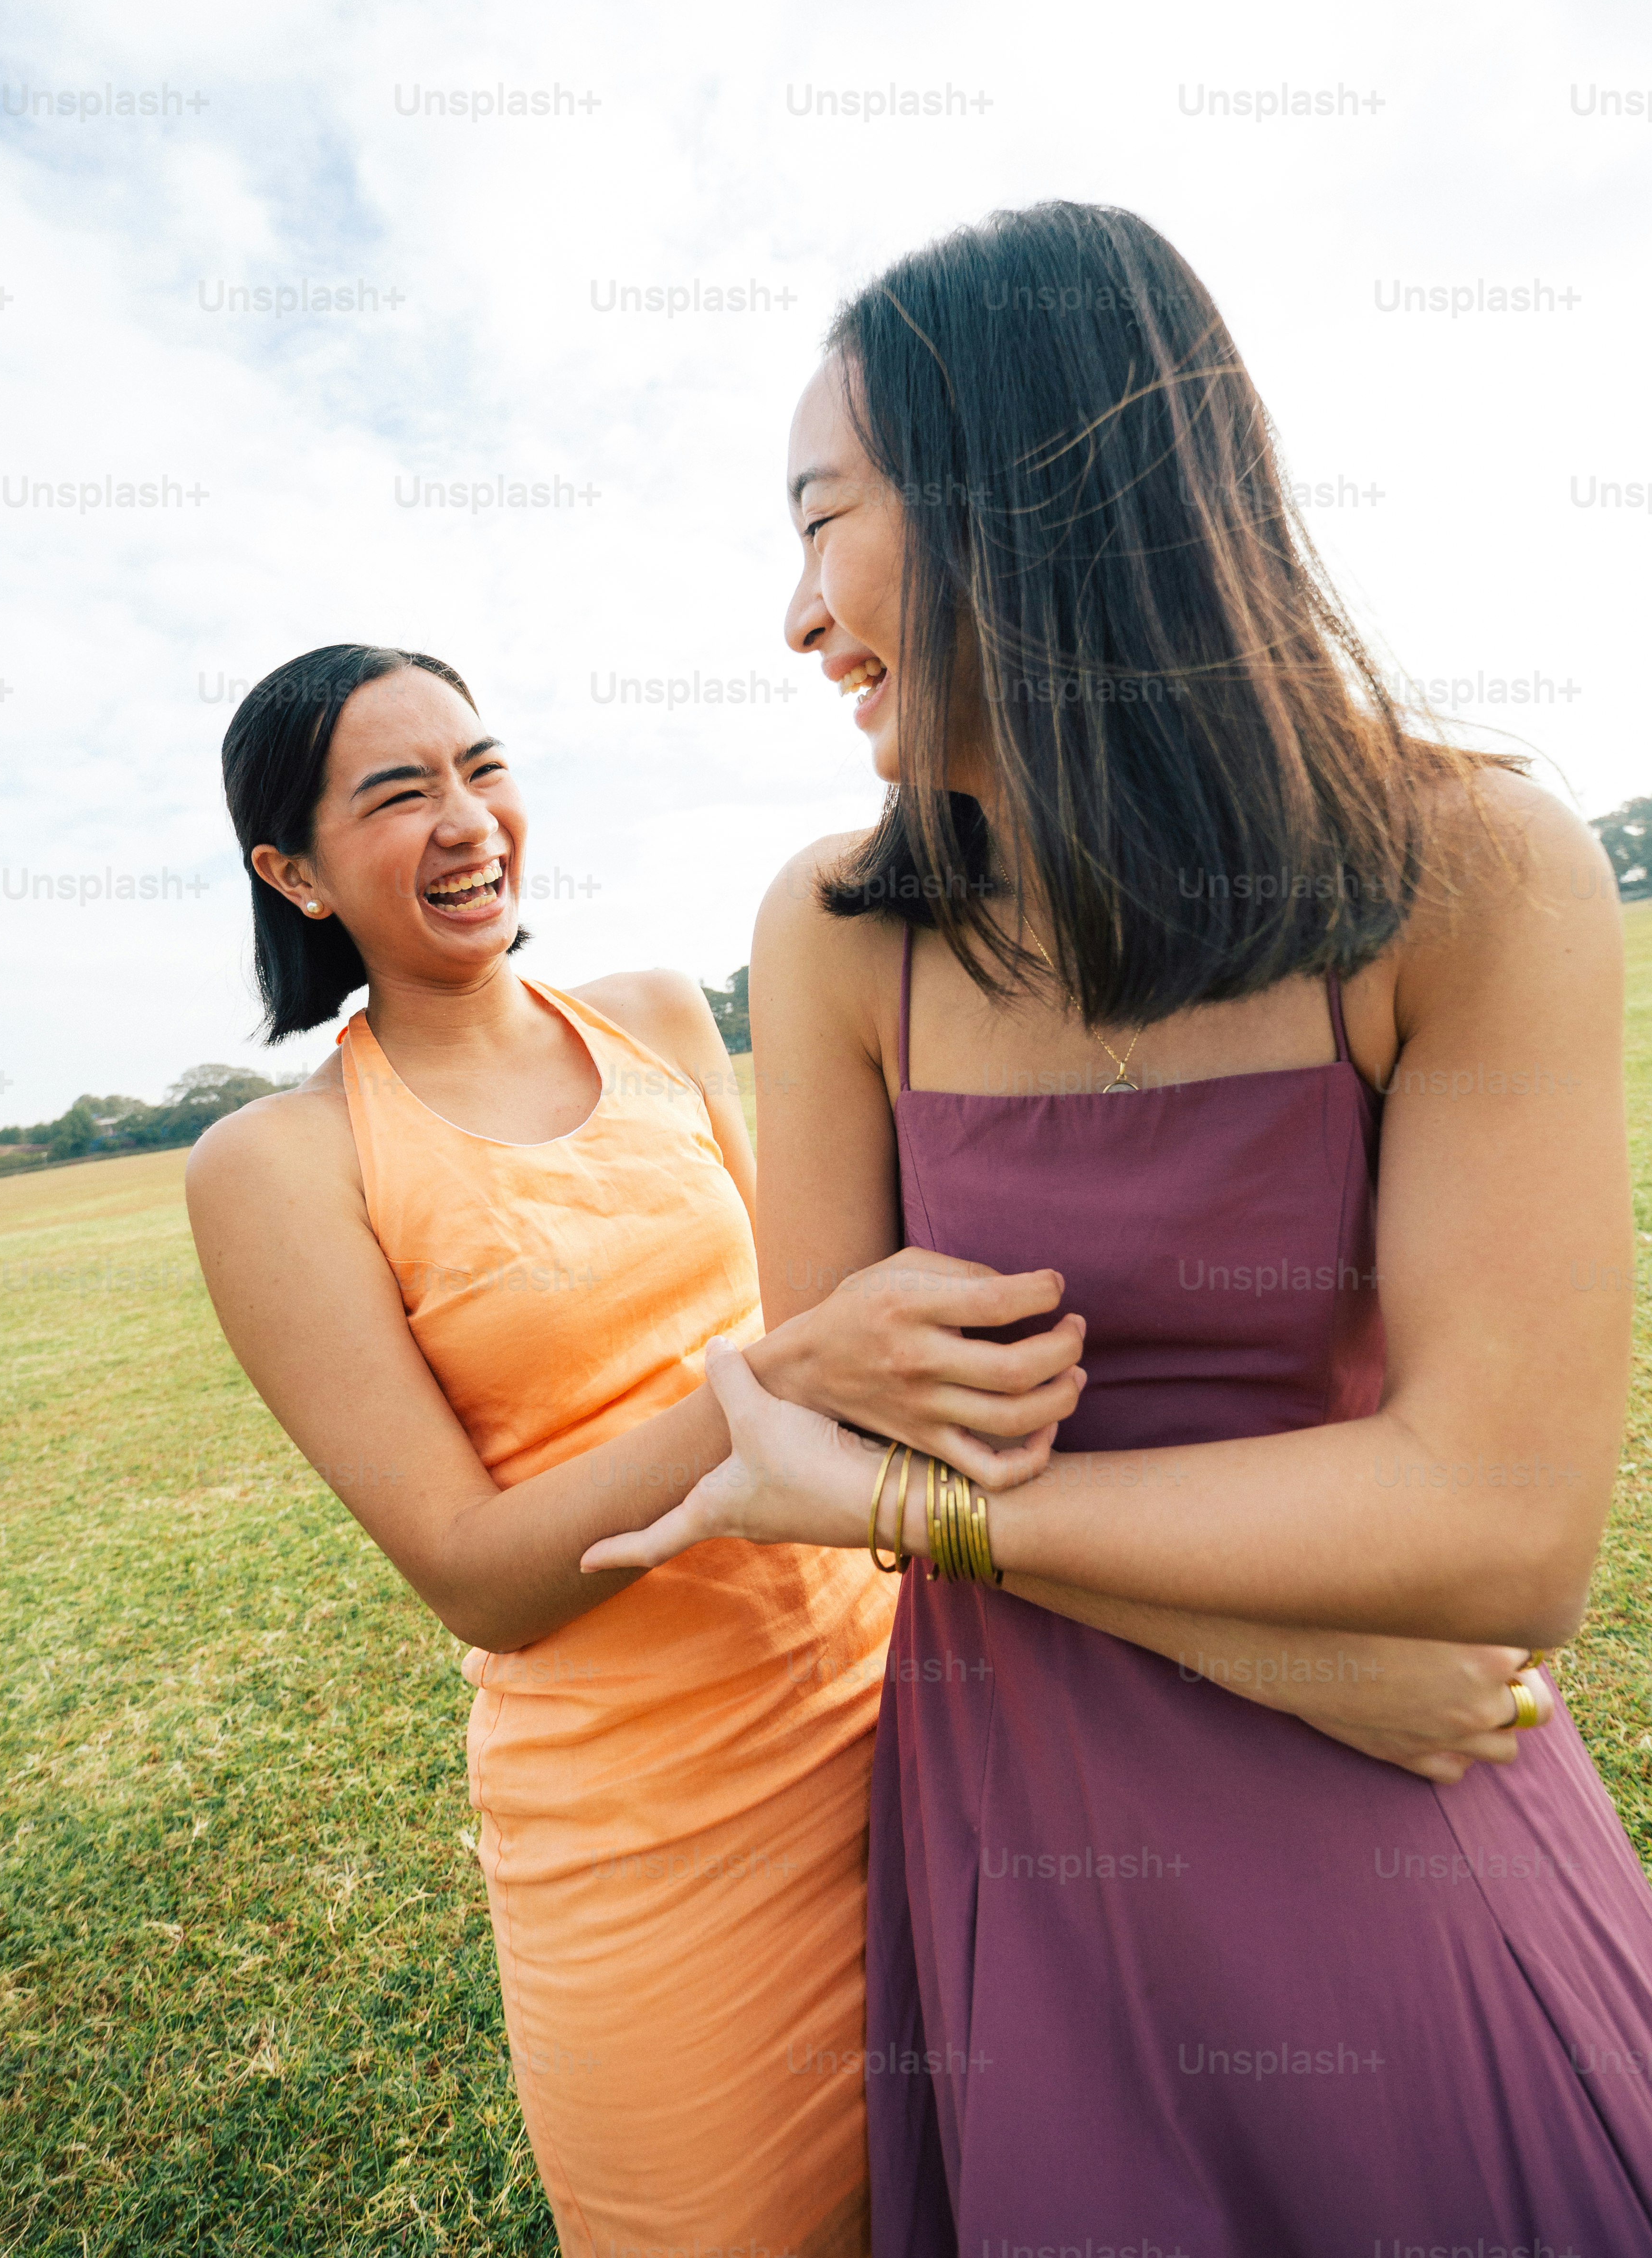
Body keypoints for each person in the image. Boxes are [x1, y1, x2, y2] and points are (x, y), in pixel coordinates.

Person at [585, 201, 1652, 2255]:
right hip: (1045, 1808)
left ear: (1034, 497)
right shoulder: (831, 939)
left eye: (825, 520)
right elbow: (848, 1444)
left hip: (1392, 1819)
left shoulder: (1478, 873)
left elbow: (1507, 1528)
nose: (799, 616)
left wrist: (938, 1515)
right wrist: (1287, 1650)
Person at [185, 640, 1100, 2258]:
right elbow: (480, 1578)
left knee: (999, 2197)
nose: (469, 821)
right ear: (293, 872)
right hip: (641, 1830)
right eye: (399, 793)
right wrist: (778, 1370)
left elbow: (836, 1338)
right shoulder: (276, 1165)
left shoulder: (667, 1016)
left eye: (484, 766)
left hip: (907, 1724)